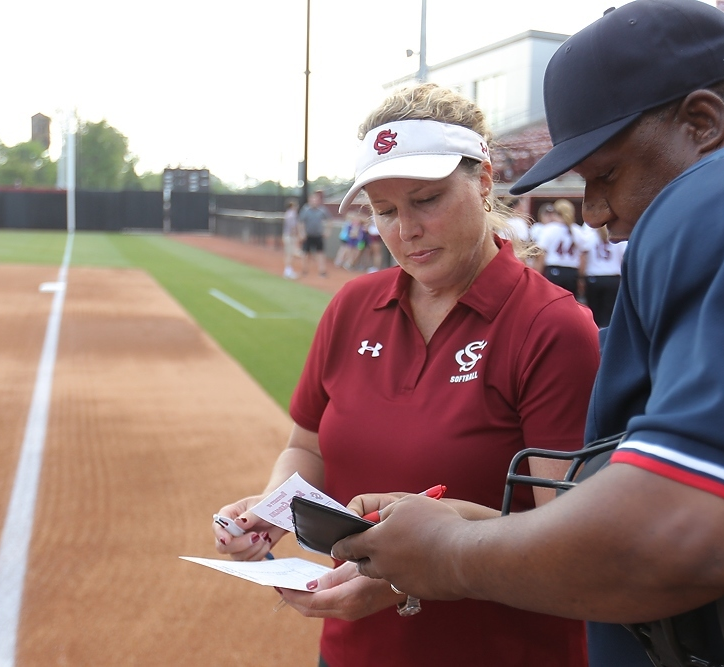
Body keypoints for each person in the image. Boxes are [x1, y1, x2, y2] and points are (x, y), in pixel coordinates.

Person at [332, 2, 724, 666]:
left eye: (607, 175)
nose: (600, 213)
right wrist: (476, 526)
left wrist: (449, 552)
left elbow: (678, 531)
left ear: (702, 123)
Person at [213, 82, 599, 667]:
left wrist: (416, 569)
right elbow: (307, 446)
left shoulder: (549, 326)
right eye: (385, 211)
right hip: (352, 653)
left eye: (427, 200)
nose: (405, 230)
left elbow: (567, 545)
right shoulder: (352, 307)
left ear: (485, 181)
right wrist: (273, 509)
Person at [531, 198, 584, 299]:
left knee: (551, 301)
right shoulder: (577, 230)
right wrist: (581, 277)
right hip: (572, 272)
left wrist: (537, 274)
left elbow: (541, 254)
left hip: (554, 270)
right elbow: (583, 256)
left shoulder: (549, 229)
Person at [579, 224, 626, 328]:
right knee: (609, 315)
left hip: (594, 278)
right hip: (613, 278)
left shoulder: (589, 237)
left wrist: (580, 277)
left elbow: (583, 258)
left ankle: (596, 338)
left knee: (594, 314)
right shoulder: (617, 239)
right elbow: (624, 258)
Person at [299, 190, 330, 277]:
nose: (314, 201)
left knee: (320, 253)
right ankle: (304, 270)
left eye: (316, 199)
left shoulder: (322, 210)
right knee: (306, 253)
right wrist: (302, 233)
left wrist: (327, 231)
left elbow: (329, 220)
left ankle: (322, 271)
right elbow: (300, 222)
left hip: (318, 235)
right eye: (313, 199)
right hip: (308, 235)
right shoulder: (305, 209)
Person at [282, 199, 301, 279]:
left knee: (289, 254)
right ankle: (288, 271)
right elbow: (293, 227)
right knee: (290, 254)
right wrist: (296, 236)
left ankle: (288, 270)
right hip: (290, 236)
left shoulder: (288, 214)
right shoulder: (292, 214)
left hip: (287, 235)